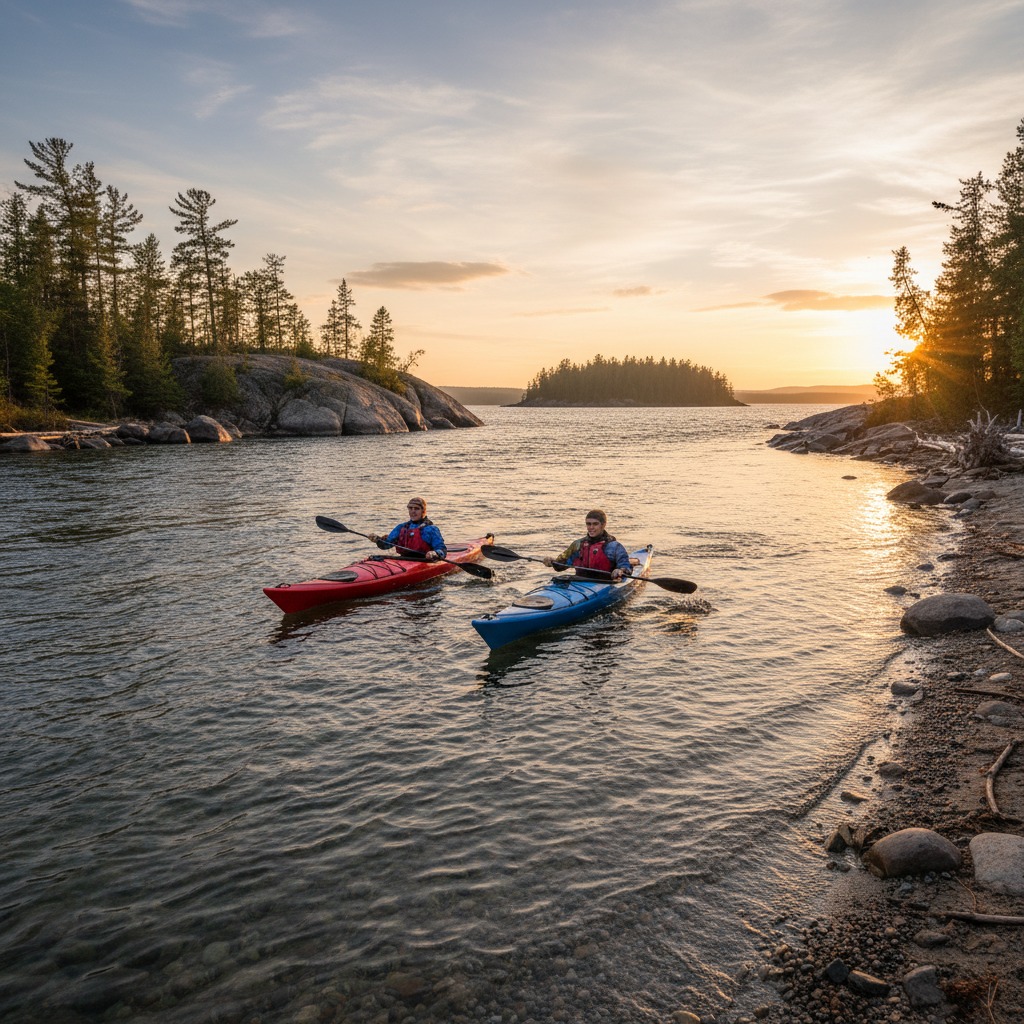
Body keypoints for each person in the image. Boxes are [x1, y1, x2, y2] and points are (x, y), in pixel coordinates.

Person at [543, 509, 633, 581]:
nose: (591, 527)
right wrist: (552, 562)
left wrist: (620, 570)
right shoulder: (577, 545)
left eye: (595, 524)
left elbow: (626, 567)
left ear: (603, 525)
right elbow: (560, 565)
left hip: (605, 584)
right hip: (580, 583)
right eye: (588, 524)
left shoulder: (614, 547)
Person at [368, 497, 447, 561]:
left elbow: (442, 550)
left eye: (416, 509)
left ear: (423, 511)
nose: (413, 511)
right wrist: (377, 540)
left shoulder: (431, 529)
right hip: (404, 559)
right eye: (410, 508)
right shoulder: (401, 527)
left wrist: (435, 553)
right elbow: (386, 545)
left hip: (424, 560)